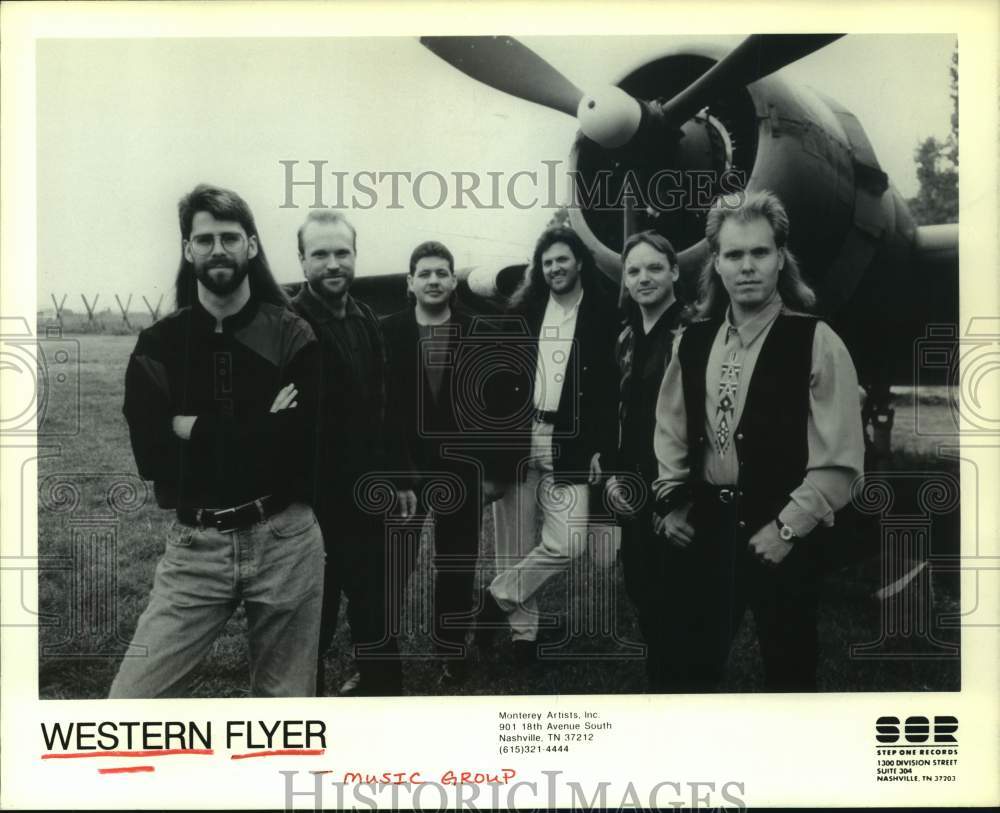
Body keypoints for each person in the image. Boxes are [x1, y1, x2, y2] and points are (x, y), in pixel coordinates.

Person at [111, 183, 323, 698]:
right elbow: (154, 457)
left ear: (251, 245)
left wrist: (196, 429)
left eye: (230, 237)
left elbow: (302, 445)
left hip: (285, 541)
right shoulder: (159, 344)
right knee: (129, 705)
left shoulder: (293, 334)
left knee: (286, 713)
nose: (218, 249)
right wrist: (262, 427)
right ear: (188, 250)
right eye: (204, 240)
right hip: (195, 547)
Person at [652, 189, 864, 691]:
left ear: (780, 259)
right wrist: (674, 501)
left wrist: (787, 529)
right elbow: (670, 431)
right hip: (707, 530)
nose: (747, 266)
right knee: (689, 672)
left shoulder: (816, 340)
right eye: (734, 254)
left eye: (759, 253)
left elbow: (841, 457)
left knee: (789, 670)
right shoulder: (693, 341)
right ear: (717, 265)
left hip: (782, 534)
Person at [476, 226, 619, 665]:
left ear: (579, 262)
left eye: (563, 259)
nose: (555, 267)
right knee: (513, 541)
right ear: (539, 269)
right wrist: (491, 455)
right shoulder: (521, 313)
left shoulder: (603, 314)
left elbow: (610, 391)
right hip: (521, 438)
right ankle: (524, 635)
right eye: (547, 262)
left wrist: (601, 447)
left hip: (570, 442)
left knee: (567, 541)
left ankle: (493, 601)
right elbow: (495, 387)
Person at [289, 210, 415, 697]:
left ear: (355, 256)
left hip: (370, 501)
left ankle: (383, 706)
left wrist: (402, 477)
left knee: (376, 616)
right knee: (309, 626)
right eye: (320, 254)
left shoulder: (366, 319)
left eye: (342, 252)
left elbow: (388, 405)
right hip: (311, 506)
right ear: (302, 262)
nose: (333, 263)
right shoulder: (288, 324)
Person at [381, 241, 504, 687]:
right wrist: (395, 474)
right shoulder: (386, 332)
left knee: (457, 563)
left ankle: (451, 651)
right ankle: (380, 649)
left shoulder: (482, 331)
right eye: (425, 273)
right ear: (409, 282)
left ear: (454, 281)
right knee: (393, 562)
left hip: (463, 471)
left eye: (442, 273)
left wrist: (495, 470)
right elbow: (380, 409)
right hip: (404, 472)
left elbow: (500, 407)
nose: (434, 280)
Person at [604, 230, 688, 691]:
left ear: (675, 271)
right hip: (633, 489)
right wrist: (615, 476)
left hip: (675, 493)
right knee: (642, 592)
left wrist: (682, 500)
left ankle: (674, 694)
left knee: (677, 606)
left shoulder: (695, 332)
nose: (644, 278)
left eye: (655, 267)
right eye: (633, 270)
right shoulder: (625, 338)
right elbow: (624, 413)